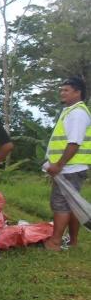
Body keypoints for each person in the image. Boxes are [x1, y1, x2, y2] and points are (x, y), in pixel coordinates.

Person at [43, 77, 90, 251]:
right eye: (61, 90)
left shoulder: (77, 113)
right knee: (72, 204)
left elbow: (74, 143)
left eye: (66, 90)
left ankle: (55, 242)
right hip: (71, 168)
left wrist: (59, 165)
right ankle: (73, 241)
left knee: (61, 204)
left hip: (69, 168)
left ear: (78, 92)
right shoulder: (71, 111)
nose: (62, 93)